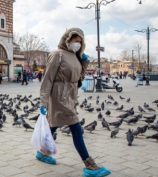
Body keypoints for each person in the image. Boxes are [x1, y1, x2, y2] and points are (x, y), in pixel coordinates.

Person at [38, 28, 111, 177]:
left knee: (54, 124)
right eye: (74, 41)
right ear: (67, 39)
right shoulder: (56, 55)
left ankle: (42, 152)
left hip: (70, 96)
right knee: (76, 128)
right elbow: (48, 79)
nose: (77, 44)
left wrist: (84, 61)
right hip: (58, 96)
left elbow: (78, 76)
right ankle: (89, 165)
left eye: (79, 41)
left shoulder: (75, 56)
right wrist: (43, 102)